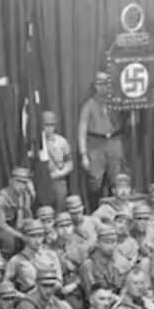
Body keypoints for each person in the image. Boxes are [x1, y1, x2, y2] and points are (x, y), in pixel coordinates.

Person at [78, 72, 125, 210]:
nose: (103, 87)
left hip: (114, 141)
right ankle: (94, 211)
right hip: (95, 144)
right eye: (99, 84)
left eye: (105, 84)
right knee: (95, 181)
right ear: (95, 86)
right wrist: (83, 154)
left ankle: (116, 212)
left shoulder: (116, 103)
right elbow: (82, 129)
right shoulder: (89, 104)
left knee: (115, 179)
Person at [36, 111, 74, 209]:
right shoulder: (36, 143)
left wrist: (61, 173)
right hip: (42, 182)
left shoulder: (61, 141)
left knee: (60, 208)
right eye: (46, 125)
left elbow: (69, 162)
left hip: (58, 180)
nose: (49, 129)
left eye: (51, 125)